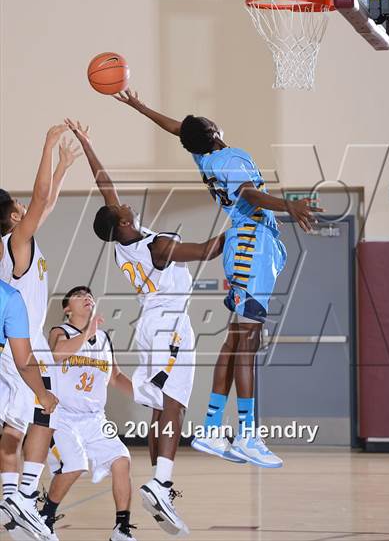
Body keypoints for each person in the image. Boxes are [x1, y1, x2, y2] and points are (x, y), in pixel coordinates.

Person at [112, 90, 324, 468]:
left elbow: (178, 129)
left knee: (236, 339)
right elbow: (249, 193)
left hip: (246, 244)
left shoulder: (205, 157)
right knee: (246, 342)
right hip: (251, 245)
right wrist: (289, 205)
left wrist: (138, 106)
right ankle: (246, 434)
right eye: (208, 122)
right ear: (213, 132)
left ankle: (211, 427)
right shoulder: (229, 156)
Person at [66, 118, 225, 536]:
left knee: (161, 406)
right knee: (173, 403)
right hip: (169, 326)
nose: (127, 205)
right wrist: (246, 222)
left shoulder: (124, 243)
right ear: (121, 224)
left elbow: (105, 186)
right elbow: (210, 250)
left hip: (153, 324)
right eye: (123, 210)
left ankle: (161, 483)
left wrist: (87, 142)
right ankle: (162, 482)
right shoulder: (156, 246)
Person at [0, 125, 80, 538]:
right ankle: (18, 497)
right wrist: (47, 145)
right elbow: (41, 198)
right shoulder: (16, 240)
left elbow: (44, 205)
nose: (27, 207)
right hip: (20, 345)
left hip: (24, 342)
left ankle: (18, 501)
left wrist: (64, 165)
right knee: (27, 423)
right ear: (14, 216)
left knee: (32, 421)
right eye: (20, 206)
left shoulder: (20, 240)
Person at [39, 286, 135, 541]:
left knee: (122, 460)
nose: (87, 298)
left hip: (95, 419)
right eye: (80, 295)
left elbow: (115, 377)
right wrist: (86, 332)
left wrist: (146, 395)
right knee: (74, 465)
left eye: (90, 295)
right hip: (62, 417)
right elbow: (58, 354)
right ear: (67, 308)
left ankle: (121, 529)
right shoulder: (59, 331)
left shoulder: (103, 339)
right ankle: (44, 519)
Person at [0, 278, 58, 538]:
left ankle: (16, 499)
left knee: (14, 428)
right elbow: (24, 362)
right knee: (37, 419)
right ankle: (21, 497)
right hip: (19, 366)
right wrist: (43, 394)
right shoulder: (9, 296)